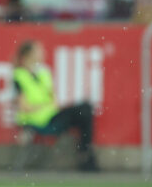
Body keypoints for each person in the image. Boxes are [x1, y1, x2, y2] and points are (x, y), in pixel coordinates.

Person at [12, 40, 99, 171]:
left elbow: (53, 100)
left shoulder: (44, 73)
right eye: (38, 51)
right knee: (84, 111)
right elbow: (24, 107)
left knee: (85, 109)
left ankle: (85, 152)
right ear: (29, 54)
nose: (43, 53)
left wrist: (47, 105)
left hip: (51, 117)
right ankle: (85, 155)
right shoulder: (19, 76)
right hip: (36, 121)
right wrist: (46, 105)